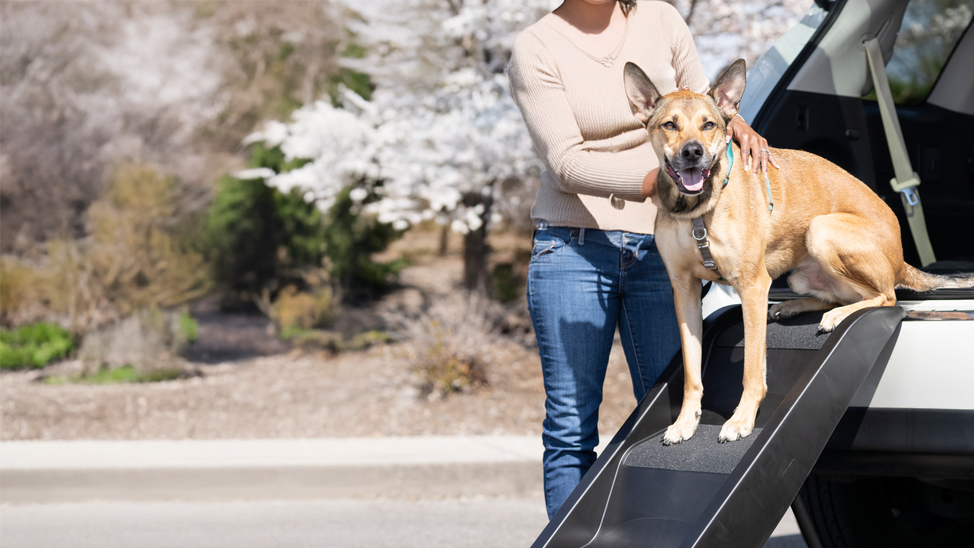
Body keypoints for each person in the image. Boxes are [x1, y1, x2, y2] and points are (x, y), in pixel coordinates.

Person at [507, 0, 778, 519]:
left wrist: (740, 129)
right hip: (573, 248)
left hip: (663, 244)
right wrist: (664, 183)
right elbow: (565, 161)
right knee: (570, 424)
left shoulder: (661, 18)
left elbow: (707, 104)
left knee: (668, 413)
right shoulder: (536, 47)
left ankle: (658, 530)